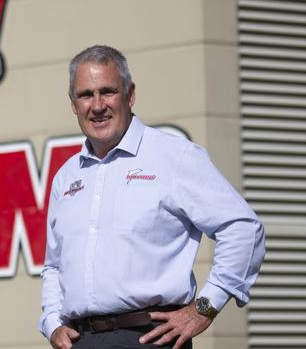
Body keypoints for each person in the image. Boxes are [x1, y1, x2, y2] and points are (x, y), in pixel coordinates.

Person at [39, 45, 265, 349]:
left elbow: (243, 228)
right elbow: (54, 265)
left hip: (150, 338)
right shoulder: (67, 176)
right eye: (85, 94)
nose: (97, 105)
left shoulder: (175, 156)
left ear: (130, 94)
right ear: (73, 103)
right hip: (81, 340)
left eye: (108, 91)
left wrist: (206, 307)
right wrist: (53, 322)